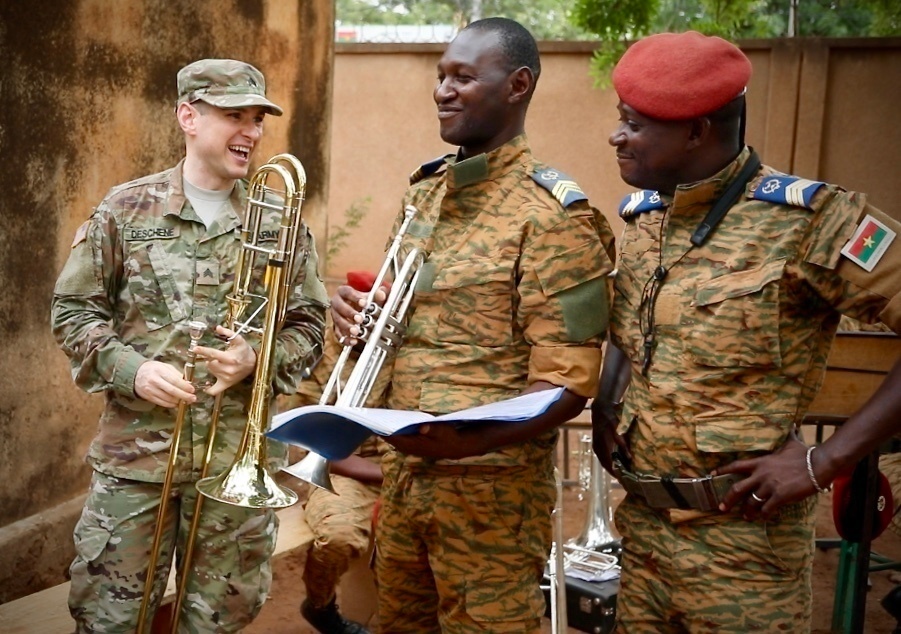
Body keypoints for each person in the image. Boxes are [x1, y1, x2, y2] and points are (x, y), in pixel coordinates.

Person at [590, 31, 901, 633]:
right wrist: (607, 402)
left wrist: (826, 459)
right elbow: (636, 326)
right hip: (645, 541)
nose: (616, 135)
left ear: (697, 131)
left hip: (745, 556)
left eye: (634, 123)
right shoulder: (647, 217)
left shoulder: (812, 221)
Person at [330, 17, 616, 633]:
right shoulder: (425, 195)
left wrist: (466, 444)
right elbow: (392, 326)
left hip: (490, 499)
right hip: (405, 481)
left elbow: (569, 382)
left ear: (517, 85)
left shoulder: (553, 217)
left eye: (463, 76)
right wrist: (354, 318)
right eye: (440, 76)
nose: (443, 90)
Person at [51, 59, 328, 632]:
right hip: (137, 461)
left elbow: (309, 326)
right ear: (188, 117)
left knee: (216, 622)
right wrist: (132, 369)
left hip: (235, 463)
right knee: (110, 618)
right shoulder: (125, 211)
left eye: (257, 119)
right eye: (234, 116)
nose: (250, 131)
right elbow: (73, 311)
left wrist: (258, 358)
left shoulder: (279, 221)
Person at [285, 288, 389, 634]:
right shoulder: (320, 354)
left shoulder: (415, 353)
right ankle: (320, 605)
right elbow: (307, 436)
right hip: (346, 469)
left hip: (419, 468)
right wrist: (383, 474)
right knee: (338, 536)